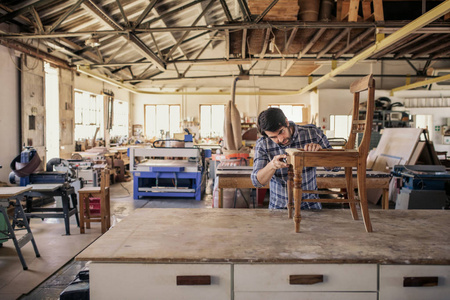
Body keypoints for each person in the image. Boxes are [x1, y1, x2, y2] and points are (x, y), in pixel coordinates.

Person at [251, 107, 335, 209]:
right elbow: (257, 182)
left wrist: (321, 154)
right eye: (273, 137)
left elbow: (335, 166)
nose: (280, 139)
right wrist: (271, 166)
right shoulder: (263, 144)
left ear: (286, 122)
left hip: (311, 206)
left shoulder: (313, 134)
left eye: (281, 132)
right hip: (279, 208)